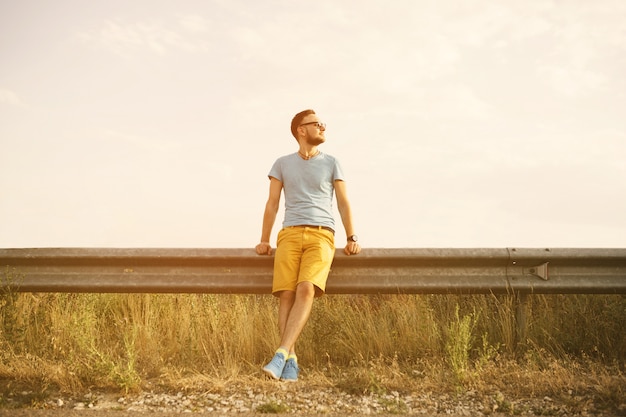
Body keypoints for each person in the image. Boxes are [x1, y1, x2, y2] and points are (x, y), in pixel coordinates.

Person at [255, 109, 362, 382]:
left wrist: (351, 237)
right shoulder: (281, 163)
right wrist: (265, 240)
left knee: (306, 289)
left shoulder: (332, 162)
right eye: (317, 124)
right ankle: (291, 361)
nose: (323, 127)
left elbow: (343, 201)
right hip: (288, 234)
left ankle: (280, 353)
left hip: (321, 234)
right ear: (301, 130)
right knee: (286, 294)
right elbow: (272, 203)